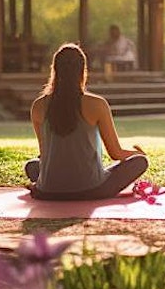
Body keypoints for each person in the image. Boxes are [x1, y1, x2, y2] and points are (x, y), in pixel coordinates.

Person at [24, 43, 148, 200]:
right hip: (92, 189)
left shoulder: (38, 105)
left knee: (32, 165)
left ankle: (55, 185)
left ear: (55, 70)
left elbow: (45, 154)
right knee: (140, 162)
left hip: (48, 190)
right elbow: (116, 153)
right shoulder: (97, 104)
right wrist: (137, 153)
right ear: (82, 71)